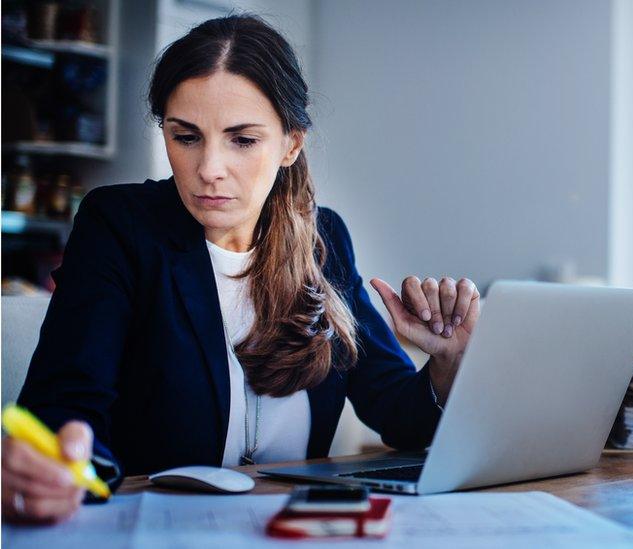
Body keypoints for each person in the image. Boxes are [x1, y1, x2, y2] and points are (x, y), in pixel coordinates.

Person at [1, 14, 479, 524]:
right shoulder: (120, 226)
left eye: (242, 140)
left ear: (290, 144)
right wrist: (60, 463)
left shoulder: (325, 239)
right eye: (186, 137)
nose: (209, 168)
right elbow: (65, 406)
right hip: (158, 530)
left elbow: (397, 414)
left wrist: (448, 366)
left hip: (290, 530)